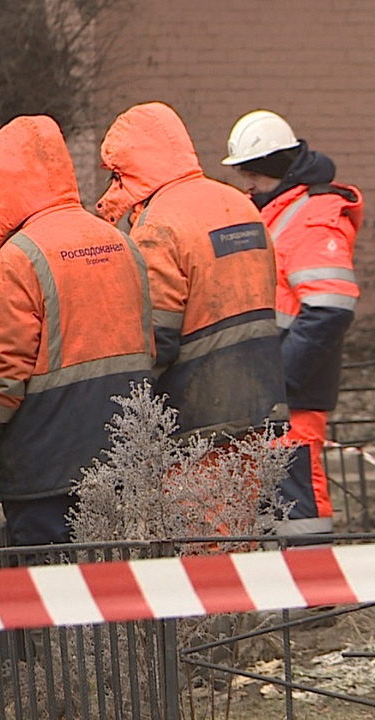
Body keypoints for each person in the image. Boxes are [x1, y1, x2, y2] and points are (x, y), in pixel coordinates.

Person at [0, 115, 154, 546]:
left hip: (46, 466)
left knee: (51, 589)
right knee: (116, 585)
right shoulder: (122, 244)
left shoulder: (19, 257)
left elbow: (3, 370)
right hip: (125, 454)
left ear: (2, 185)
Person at [96, 102, 287, 446]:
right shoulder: (241, 205)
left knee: (202, 503)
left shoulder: (158, 226)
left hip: (200, 422)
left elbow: (156, 340)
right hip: (263, 406)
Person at [222, 110, 363, 536]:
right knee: (280, 505)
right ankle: (293, 596)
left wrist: (279, 381)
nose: (246, 185)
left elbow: (330, 309)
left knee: (297, 506)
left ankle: (314, 598)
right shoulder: (286, 208)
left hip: (289, 394)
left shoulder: (312, 213)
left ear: (275, 169)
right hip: (278, 390)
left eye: (253, 175)